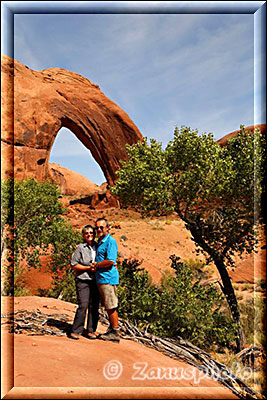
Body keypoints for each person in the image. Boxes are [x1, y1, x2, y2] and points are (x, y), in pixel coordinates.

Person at [69, 224, 100, 340]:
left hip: (96, 280)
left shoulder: (98, 246)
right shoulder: (81, 248)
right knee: (83, 304)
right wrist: (88, 268)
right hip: (83, 280)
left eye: (91, 232)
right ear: (83, 235)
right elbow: (74, 264)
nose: (89, 235)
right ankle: (76, 330)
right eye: (87, 233)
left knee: (94, 306)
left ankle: (91, 330)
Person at [93, 217, 120, 343]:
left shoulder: (110, 242)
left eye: (101, 227)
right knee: (108, 305)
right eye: (97, 227)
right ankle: (112, 329)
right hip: (101, 278)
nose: (99, 229)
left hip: (108, 278)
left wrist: (97, 265)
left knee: (111, 306)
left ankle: (115, 332)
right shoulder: (100, 242)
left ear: (108, 228)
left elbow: (110, 261)